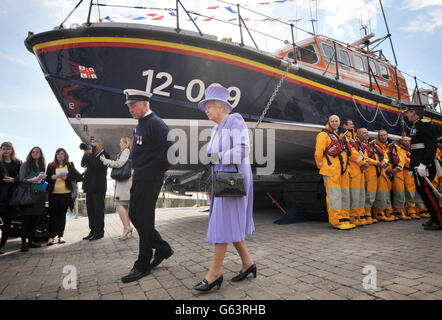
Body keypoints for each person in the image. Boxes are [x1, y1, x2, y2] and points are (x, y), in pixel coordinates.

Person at [193, 84, 255, 292]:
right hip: (222, 177)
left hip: (233, 178)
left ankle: (215, 273)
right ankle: (248, 263)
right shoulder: (216, 128)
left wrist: (218, 157)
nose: (206, 110)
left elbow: (244, 149)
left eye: (209, 106)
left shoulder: (235, 121)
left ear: (221, 106)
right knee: (229, 220)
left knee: (222, 222)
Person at [121, 89, 173, 283]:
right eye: (129, 106)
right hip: (140, 177)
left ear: (145, 104)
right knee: (134, 215)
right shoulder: (141, 124)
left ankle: (142, 263)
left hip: (149, 178)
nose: (130, 109)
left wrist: (154, 171)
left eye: (133, 106)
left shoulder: (156, 124)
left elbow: (170, 153)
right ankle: (162, 248)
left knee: (143, 218)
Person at [404, 105, 442, 230]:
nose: (407, 115)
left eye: (408, 112)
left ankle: (439, 220)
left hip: (424, 166)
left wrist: (424, 164)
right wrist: (411, 167)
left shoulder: (425, 125)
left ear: (414, 112)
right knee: (423, 193)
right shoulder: (415, 126)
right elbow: (415, 150)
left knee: (427, 193)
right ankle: (434, 216)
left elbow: (431, 147)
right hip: (417, 165)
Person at [315, 115, 354, 230]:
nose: (334, 123)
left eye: (336, 121)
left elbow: (348, 151)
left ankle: (345, 218)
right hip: (331, 170)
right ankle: (336, 220)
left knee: (344, 195)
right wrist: (322, 167)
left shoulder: (342, 136)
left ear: (339, 122)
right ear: (329, 122)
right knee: (334, 196)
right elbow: (318, 153)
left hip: (343, 170)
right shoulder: (323, 135)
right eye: (332, 121)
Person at [46, 148, 82, 245]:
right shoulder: (50, 165)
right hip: (53, 194)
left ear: (65, 155)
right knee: (53, 216)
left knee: (62, 216)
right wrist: (51, 177)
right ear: (56, 155)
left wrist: (67, 178)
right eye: (58, 154)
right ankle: (50, 237)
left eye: (62, 154)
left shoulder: (69, 165)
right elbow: (46, 179)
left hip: (65, 195)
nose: (60, 155)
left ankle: (60, 236)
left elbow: (78, 177)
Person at [100, 136, 133, 240]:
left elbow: (119, 164)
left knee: (119, 205)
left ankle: (126, 228)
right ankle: (128, 227)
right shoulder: (125, 152)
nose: (119, 144)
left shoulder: (126, 151)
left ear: (125, 143)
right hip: (124, 184)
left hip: (123, 184)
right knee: (125, 206)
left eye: (121, 142)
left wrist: (105, 161)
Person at [342, 119, 370, 226]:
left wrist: (365, 162)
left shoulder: (355, 139)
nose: (353, 125)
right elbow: (351, 152)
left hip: (360, 170)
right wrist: (363, 162)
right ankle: (353, 217)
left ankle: (359, 216)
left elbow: (363, 151)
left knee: (361, 195)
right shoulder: (346, 137)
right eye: (351, 124)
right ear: (345, 126)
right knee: (354, 196)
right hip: (353, 170)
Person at [19, 147, 47, 252]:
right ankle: (23, 244)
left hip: (39, 195)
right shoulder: (26, 164)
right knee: (26, 221)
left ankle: (30, 242)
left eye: (37, 152)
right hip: (28, 195)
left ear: (40, 154)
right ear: (31, 154)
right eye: (33, 152)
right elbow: (22, 180)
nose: (35, 153)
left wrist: (44, 182)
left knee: (35, 221)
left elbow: (43, 181)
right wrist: (33, 179)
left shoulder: (42, 165)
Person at [81, 138, 110, 241]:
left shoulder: (105, 155)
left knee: (98, 210)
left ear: (101, 146)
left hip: (98, 187)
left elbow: (96, 165)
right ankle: (92, 230)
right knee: (91, 210)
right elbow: (83, 164)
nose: (93, 148)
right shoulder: (91, 155)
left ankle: (99, 232)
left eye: (95, 146)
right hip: (89, 186)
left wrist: (91, 153)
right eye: (92, 146)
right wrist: (86, 153)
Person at [0, 142, 22, 254]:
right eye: (4, 148)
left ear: (12, 150)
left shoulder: (17, 162)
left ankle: (2, 245)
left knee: (7, 223)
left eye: (8, 149)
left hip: (11, 196)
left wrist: (13, 179)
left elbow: (21, 176)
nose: (6, 151)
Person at [356, 128, 380, 223]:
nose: (366, 134)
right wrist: (377, 163)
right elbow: (365, 158)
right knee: (367, 195)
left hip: (373, 172)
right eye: (364, 133)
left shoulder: (370, 144)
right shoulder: (358, 144)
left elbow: (382, 155)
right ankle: (364, 214)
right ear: (358, 134)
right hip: (366, 171)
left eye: (367, 132)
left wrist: (382, 162)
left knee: (371, 195)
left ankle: (368, 213)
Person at [374, 130, 396, 221]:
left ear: (387, 135)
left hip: (391, 173)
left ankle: (389, 211)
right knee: (382, 194)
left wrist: (398, 168)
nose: (383, 137)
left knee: (387, 194)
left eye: (384, 135)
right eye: (381, 135)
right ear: (378, 136)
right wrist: (388, 169)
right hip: (382, 172)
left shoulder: (393, 146)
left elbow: (388, 159)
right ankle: (380, 212)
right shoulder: (376, 146)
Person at [389, 137, 412, 220]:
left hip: (405, 173)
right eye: (405, 141)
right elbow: (403, 160)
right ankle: (399, 211)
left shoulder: (411, 150)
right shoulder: (399, 149)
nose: (407, 142)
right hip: (398, 173)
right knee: (399, 193)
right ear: (401, 142)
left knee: (409, 193)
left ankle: (411, 211)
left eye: (409, 140)